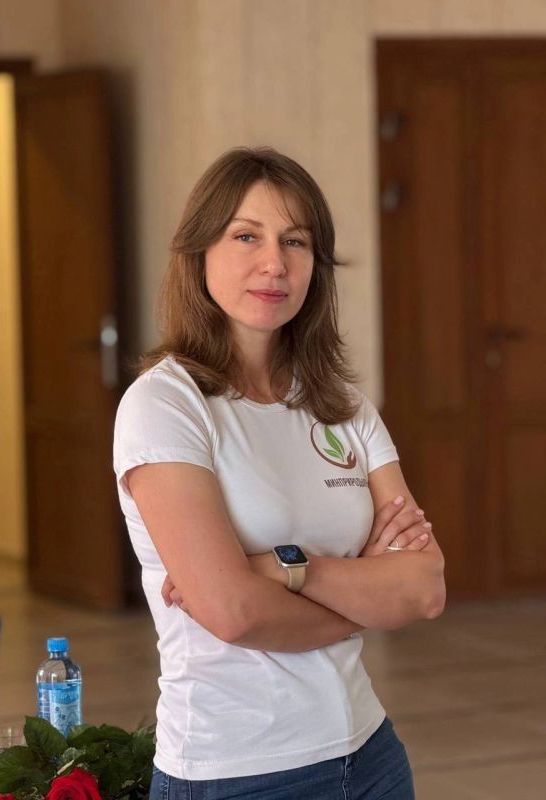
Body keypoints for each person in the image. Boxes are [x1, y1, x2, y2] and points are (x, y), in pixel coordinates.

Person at [113, 147, 446, 799]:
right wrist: (368, 599)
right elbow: (233, 612)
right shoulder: (165, 405)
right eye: (247, 236)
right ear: (199, 252)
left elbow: (425, 587)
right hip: (236, 774)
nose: (275, 263)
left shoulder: (343, 405)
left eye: (296, 241)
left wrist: (288, 569)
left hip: (370, 756)